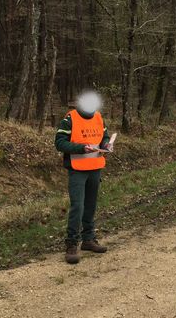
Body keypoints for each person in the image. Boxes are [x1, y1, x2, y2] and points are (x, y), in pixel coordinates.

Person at [55, 90, 112, 264]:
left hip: (95, 167)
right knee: (77, 206)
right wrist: (81, 148)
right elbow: (59, 143)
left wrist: (106, 144)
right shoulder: (70, 119)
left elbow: (104, 136)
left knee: (90, 205)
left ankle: (88, 240)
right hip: (77, 169)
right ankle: (71, 244)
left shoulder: (98, 117)